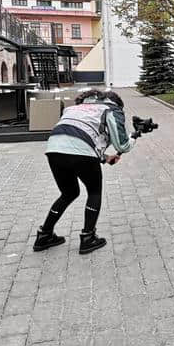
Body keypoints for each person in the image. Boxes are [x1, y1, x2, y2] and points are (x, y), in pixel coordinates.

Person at [33, 89, 134, 254]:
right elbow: (122, 146)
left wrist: (104, 157)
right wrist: (133, 138)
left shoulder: (73, 108)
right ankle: (88, 238)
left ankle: (44, 235)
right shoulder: (111, 109)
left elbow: (77, 135)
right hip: (81, 153)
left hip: (54, 149)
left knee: (68, 193)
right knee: (94, 192)